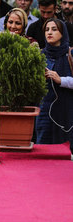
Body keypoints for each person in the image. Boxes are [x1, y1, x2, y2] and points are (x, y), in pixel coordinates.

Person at [37, 19, 73, 159]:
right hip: (45, 109)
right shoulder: (40, 55)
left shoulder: (70, 54)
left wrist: (61, 80)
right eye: (47, 30)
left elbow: (62, 80)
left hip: (66, 110)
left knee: (64, 153)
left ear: (62, 33)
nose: (49, 33)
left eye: (54, 29)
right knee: (42, 151)